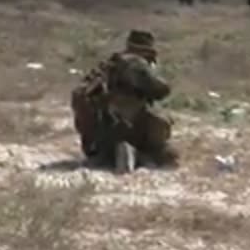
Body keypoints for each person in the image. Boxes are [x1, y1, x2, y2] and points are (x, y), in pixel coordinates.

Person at [70, 30, 177, 170]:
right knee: (165, 136)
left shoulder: (109, 65)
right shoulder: (136, 64)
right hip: (126, 130)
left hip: (98, 138)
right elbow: (162, 89)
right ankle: (137, 155)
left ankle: (109, 154)